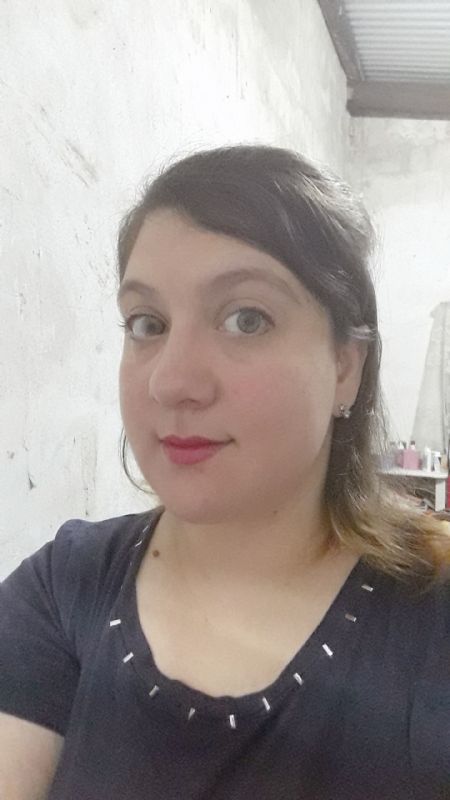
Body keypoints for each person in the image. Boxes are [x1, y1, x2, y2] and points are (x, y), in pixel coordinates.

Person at [1, 145, 449, 800]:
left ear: (345, 367)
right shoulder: (61, 590)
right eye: (147, 323)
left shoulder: (431, 615)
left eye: (247, 319)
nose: (171, 380)